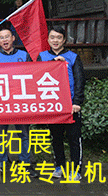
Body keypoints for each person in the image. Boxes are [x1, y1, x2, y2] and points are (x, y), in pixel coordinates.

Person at [0, 28, 38, 177]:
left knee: (24, 134)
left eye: (7, 37)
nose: (5, 40)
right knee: (0, 135)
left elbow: (31, 76)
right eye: (1, 38)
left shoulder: (24, 55)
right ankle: (0, 165)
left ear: (13, 38)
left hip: (20, 101)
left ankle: (25, 164)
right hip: (1, 101)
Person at [38, 26, 85, 180]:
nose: (55, 41)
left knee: (74, 138)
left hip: (70, 105)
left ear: (64, 40)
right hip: (53, 105)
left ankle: (76, 169)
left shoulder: (73, 57)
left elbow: (79, 81)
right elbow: (36, 77)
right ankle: (59, 166)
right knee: (56, 138)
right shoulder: (42, 56)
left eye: (59, 38)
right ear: (48, 40)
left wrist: (77, 102)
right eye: (52, 37)